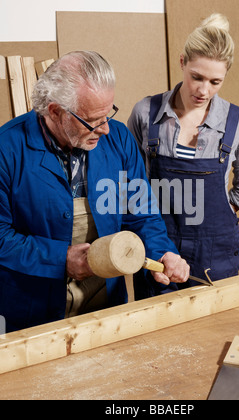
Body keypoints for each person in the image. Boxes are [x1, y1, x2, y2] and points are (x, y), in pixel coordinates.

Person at [0, 51, 189, 333]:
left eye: (108, 115)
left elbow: (142, 216)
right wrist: (59, 260)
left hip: (104, 309)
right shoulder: (7, 150)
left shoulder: (120, 142)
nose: (105, 130)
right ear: (55, 111)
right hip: (32, 315)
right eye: (93, 120)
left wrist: (162, 253)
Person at [127, 13, 239, 292]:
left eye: (215, 82)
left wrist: (217, 218)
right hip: (158, 247)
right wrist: (153, 239)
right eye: (196, 77)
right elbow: (131, 183)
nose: (203, 90)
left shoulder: (238, 123)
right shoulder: (145, 114)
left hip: (215, 252)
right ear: (182, 62)